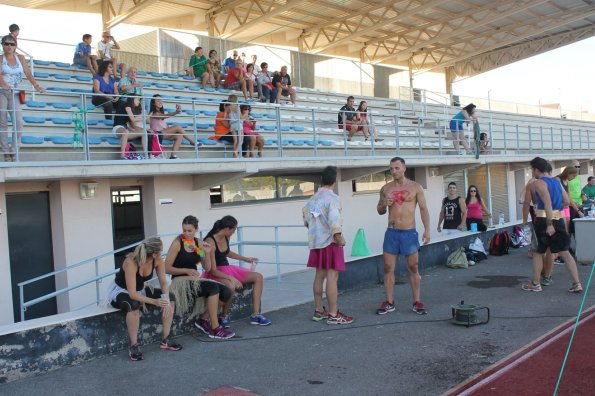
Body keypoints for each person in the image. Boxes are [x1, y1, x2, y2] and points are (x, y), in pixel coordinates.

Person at [106, 237, 182, 361]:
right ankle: (134, 345)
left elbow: (163, 283)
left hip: (140, 289)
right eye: (161, 251)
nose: (162, 253)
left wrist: (166, 298)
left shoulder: (157, 260)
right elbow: (132, 294)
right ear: (154, 254)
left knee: (171, 298)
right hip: (121, 291)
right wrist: (155, 302)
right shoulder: (130, 262)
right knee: (133, 305)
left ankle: (165, 339)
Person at [165, 215, 235, 339]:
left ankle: (203, 319)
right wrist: (185, 270)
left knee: (226, 292)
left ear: (196, 229)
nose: (186, 233)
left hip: (193, 280)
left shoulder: (198, 244)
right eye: (184, 230)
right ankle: (215, 328)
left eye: (189, 230)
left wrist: (207, 254)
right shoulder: (177, 243)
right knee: (213, 287)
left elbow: (207, 268)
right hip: (179, 281)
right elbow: (166, 268)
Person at [376, 157, 430, 315]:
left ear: (404, 168)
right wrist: (383, 203)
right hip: (392, 232)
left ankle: (417, 301)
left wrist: (427, 230)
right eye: (391, 169)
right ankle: (389, 302)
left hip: (409, 232)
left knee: (413, 267)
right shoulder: (386, 188)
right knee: (388, 268)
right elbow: (380, 211)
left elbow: (423, 209)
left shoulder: (415, 187)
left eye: (397, 168)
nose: (394, 171)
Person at [522, 157, 582, 293]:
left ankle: (536, 283)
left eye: (532, 169)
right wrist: (556, 211)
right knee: (565, 252)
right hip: (559, 218)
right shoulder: (557, 182)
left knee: (539, 252)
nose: (532, 172)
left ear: (537, 169)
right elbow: (566, 201)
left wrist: (549, 223)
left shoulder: (539, 183)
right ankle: (576, 283)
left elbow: (547, 202)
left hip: (544, 220)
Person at [302, 166, 354, 325]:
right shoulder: (332, 198)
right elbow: (334, 220)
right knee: (332, 276)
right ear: (335, 179)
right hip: (330, 241)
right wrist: (338, 237)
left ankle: (319, 310)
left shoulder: (312, 200)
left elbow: (306, 220)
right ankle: (333, 314)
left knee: (319, 275)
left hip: (316, 242)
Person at [203, 215, 272, 327]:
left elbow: (226, 252)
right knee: (231, 286)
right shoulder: (210, 241)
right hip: (215, 273)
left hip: (228, 269)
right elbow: (213, 270)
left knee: (258, 276)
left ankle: (255, 315)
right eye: (234, 229)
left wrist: (246, 259)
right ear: (226, 229)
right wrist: (231, 278)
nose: (234, 232)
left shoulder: (226, 237)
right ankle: (224, 316)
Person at [0, 35, 45, 162]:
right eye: (6, 44)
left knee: (18, 122)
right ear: (2, 45)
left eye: (11, 44)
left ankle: (14, 150)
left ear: (15, 46)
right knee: (2, 122)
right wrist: (3, 84)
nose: (9, 46)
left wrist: (36, 85)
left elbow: (28, 73)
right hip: (2, 92)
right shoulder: (0, 58)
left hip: (15, 92)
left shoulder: (20, 58)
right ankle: (6, 151)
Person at [149, 94, 200, 159]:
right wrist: (176, 112)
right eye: (158, 101)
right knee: (177, 127)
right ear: (153, 103)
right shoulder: (153, 113)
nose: (160, 102)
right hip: (156, 135)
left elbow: (162, 122)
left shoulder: (160, 112)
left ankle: (173, 155)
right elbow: (164, 116)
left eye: (161, 100)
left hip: (162, 134)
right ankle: (192, 141)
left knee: (179, 135)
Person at [113, 95, 145, 159]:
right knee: (126, 131)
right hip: (117, 128)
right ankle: (122, 156)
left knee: (144, 132)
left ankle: (146, 154)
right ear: (132, 99)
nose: (139, 102)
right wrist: (145, 118)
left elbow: (131, 124)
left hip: (125, 129)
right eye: (138, 99)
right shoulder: (126, 105)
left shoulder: (132, 109)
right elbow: (133, 119)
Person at [555, 165, 584, 233]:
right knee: (562, 228)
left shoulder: (567, 181)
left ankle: (567, 242)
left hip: (566, 207)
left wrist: (578, 211)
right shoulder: (558, 179)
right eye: (573, 176)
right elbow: (554, 196)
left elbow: (569, 197)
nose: (573, 178)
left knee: (567, 229)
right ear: (568, 173)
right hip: (559, 208)